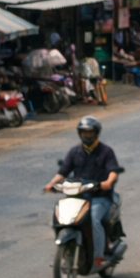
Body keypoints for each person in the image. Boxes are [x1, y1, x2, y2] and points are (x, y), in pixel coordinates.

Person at [44, 115, 119, 268]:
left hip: (100, 197)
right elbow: (63, 171)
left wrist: (108, 182)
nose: (87, 136)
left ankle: (99, 256)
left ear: (96, 133)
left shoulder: (106, 151)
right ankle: (64, 249)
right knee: (59, 215)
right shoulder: (74, 152)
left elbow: (113, 171)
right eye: (84, 133)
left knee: (94, 219)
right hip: (78, 195)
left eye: (90, 133)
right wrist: (51, 183)